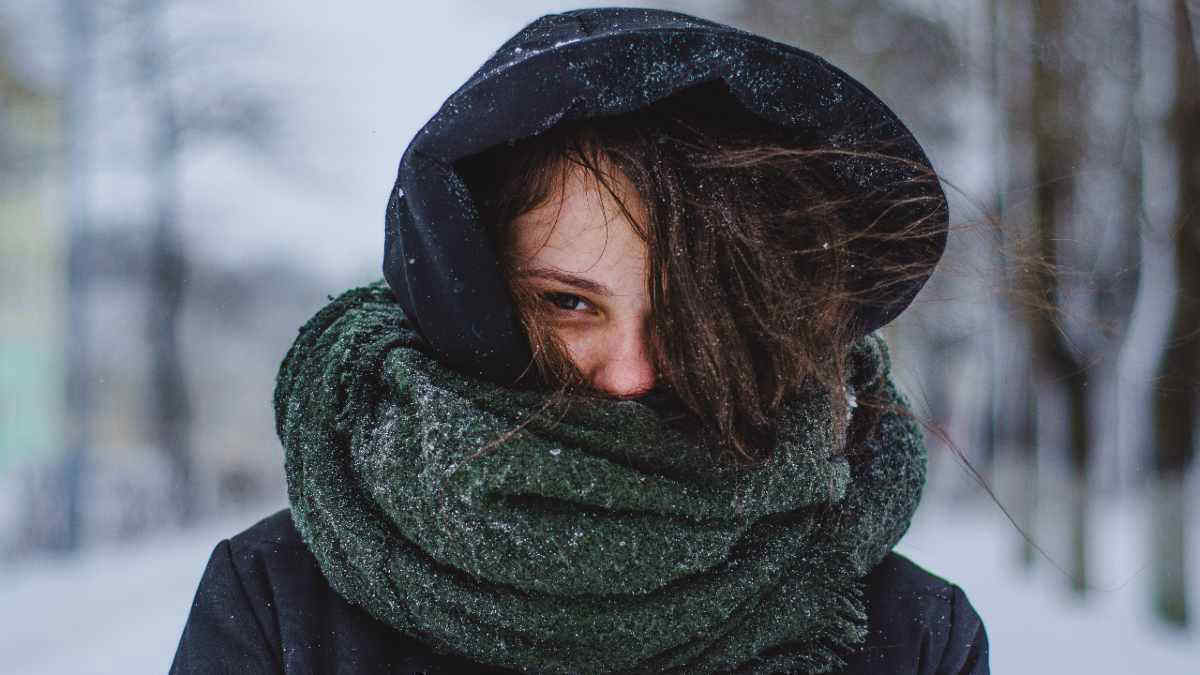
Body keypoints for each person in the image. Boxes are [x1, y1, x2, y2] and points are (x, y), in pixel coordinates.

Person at [171, 7, 989, 674]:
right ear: (475, 296)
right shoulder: (277, 608)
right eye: (567, 301)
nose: (632, 374)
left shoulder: (913, 637)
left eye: (694, 317)